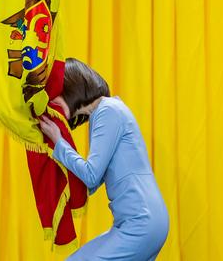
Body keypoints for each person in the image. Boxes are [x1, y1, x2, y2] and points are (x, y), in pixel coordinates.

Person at [38, 58, 170, 261]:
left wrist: (58, 142)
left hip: (141, 222)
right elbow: (93, 181)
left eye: (56, 94)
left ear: (71, 88)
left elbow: (91, 176)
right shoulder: (105, 112)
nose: (52, 102)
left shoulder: (108, 111)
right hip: (141, 221)